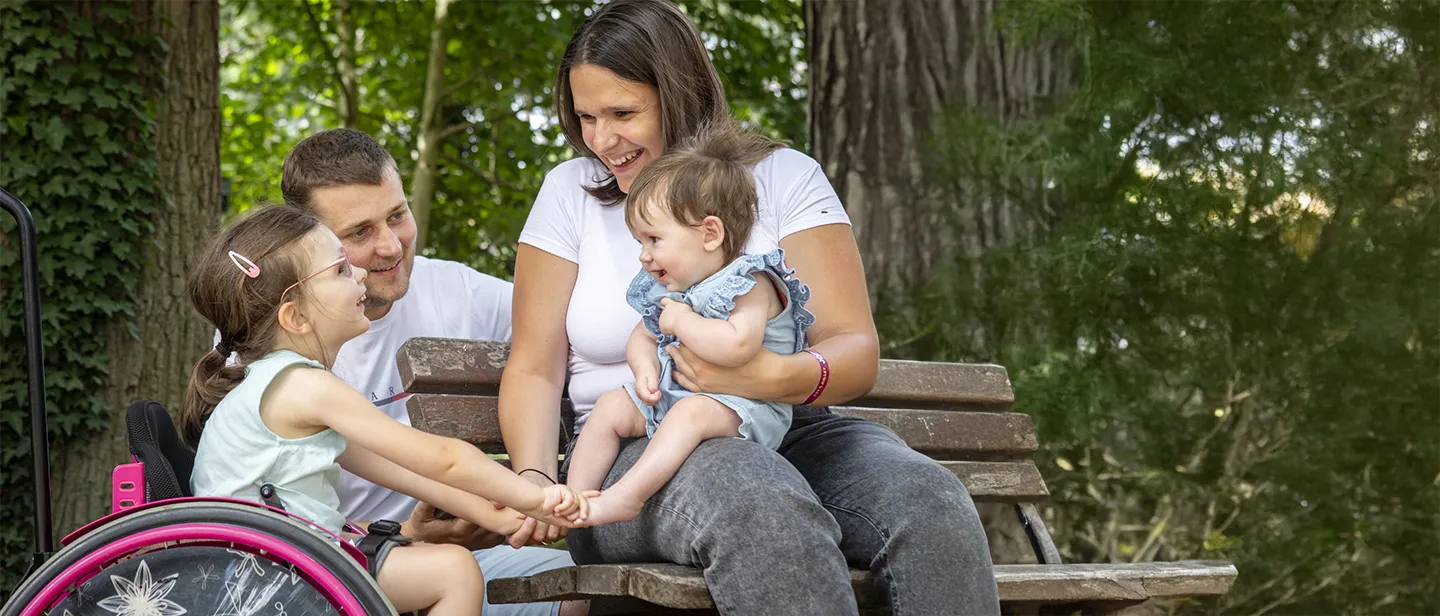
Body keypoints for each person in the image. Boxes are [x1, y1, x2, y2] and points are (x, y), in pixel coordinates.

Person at [497, 0, 1002, 613]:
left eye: (623, 113)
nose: (602, 139)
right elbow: (534, 367)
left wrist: (766, 375)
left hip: (784, 422)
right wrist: (533, 479)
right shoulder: (569, 192)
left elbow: (852, 347)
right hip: (634, 446)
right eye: (585, 118)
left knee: (932, 502)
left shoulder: (784, 178)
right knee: (759, 502)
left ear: (679, 94)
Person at [182, 205, 588, 615]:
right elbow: (444, 460)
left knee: (444, 567)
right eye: (340, 270)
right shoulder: (303, 386)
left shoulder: (283, 388)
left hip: (277, 568)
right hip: (269, 579)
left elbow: (407, 473)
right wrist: (536, 499)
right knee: (452, 571)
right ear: (296, 316)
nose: (359, 274)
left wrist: (501, 515)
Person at [276, 128, 587, 616]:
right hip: (331, 576)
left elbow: (583, 329)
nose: (390, 246)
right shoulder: (277, 343)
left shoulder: (458, 290)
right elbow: (255, 523)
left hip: (451, 564)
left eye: (397, 216)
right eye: (358, 233)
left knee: (588, 594)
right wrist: (406, 536)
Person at [566, 122, 814, 525]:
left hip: (743, 408)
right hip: (673, 396)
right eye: (639, 243)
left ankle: (628, 496)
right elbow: (642, 335)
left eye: (654, 240)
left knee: (691, 415)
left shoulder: (751, 284)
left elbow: (737, 346)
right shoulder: (678, 287)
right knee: (611, 405)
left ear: (710, 233)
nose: (644, 256)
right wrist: (645, 369)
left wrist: (681, 321)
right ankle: (574, 498)